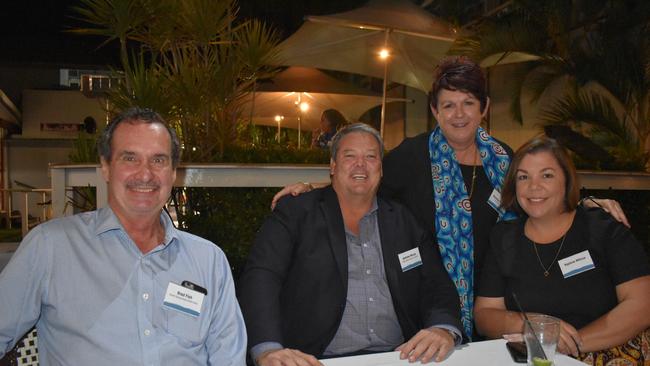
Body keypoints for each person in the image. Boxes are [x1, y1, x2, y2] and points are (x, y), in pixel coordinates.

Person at [271, 56, 629, 339]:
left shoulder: (504, 159)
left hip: (500, 301)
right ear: (434, 110)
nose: (459, 114)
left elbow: (539, 196)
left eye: (468, 103)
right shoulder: (412, 157)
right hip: (428, 304)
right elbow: (363, 180)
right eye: (448, 105)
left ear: (484, 107)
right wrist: (312, 187)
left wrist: (584, 203)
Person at [0, 107, 246, 365]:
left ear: (173, 173)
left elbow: (228, 358)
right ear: (105, 167)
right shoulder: (51, 247)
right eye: (130, 158)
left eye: (159, 160)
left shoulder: (208, 260)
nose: (145, 174)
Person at [239, 123, 464, 366]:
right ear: (333, 166)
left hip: (399, 357)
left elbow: (437, 284)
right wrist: (268, 348)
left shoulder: (403, 220)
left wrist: (443, 328)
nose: (361, 164)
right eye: (350, 156)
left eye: (370, 156)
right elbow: (261, 277)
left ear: (381, 168)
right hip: (315, 359)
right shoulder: (296, 213)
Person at [474, 136, 650, 364]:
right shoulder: (503, 237)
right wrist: (529, 325)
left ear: (566, 180)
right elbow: (484, 315)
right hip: (535, 357)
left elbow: (642, 304)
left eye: (547, 175)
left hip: (608, 356)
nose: (533, 186)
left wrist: (569, 343)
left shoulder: (603, 228)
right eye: (523, 177)